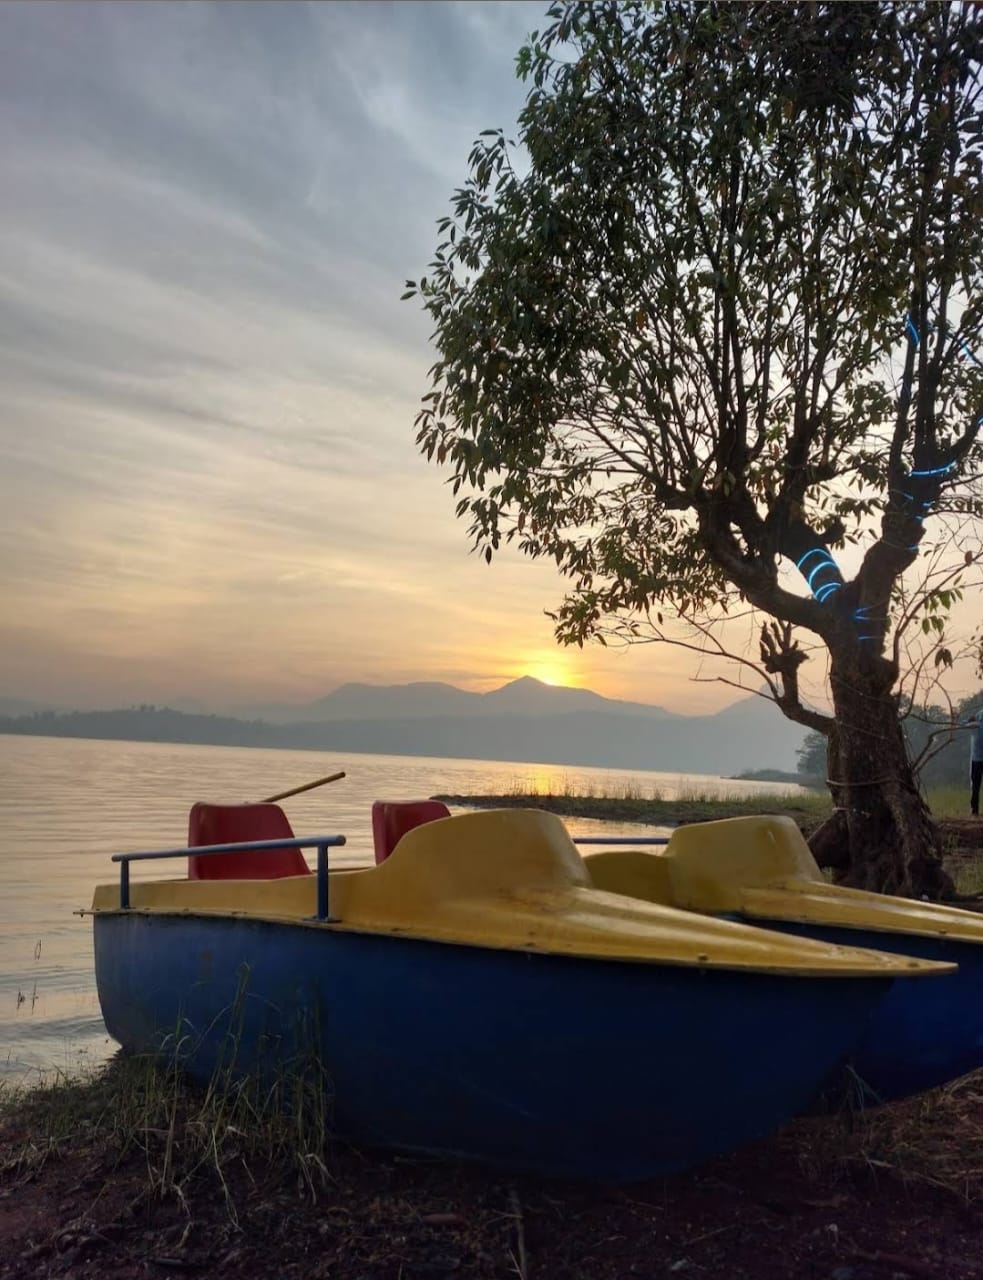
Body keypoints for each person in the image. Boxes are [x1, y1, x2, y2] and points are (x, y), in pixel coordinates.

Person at [966, 711, 983, 818]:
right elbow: (966, 723)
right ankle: (974, 810)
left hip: (976, 760)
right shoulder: (976, 725)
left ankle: (974, 810)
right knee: (975, 787)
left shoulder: (975, 728)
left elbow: (964, 724)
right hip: (976, 759)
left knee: (975, 786)